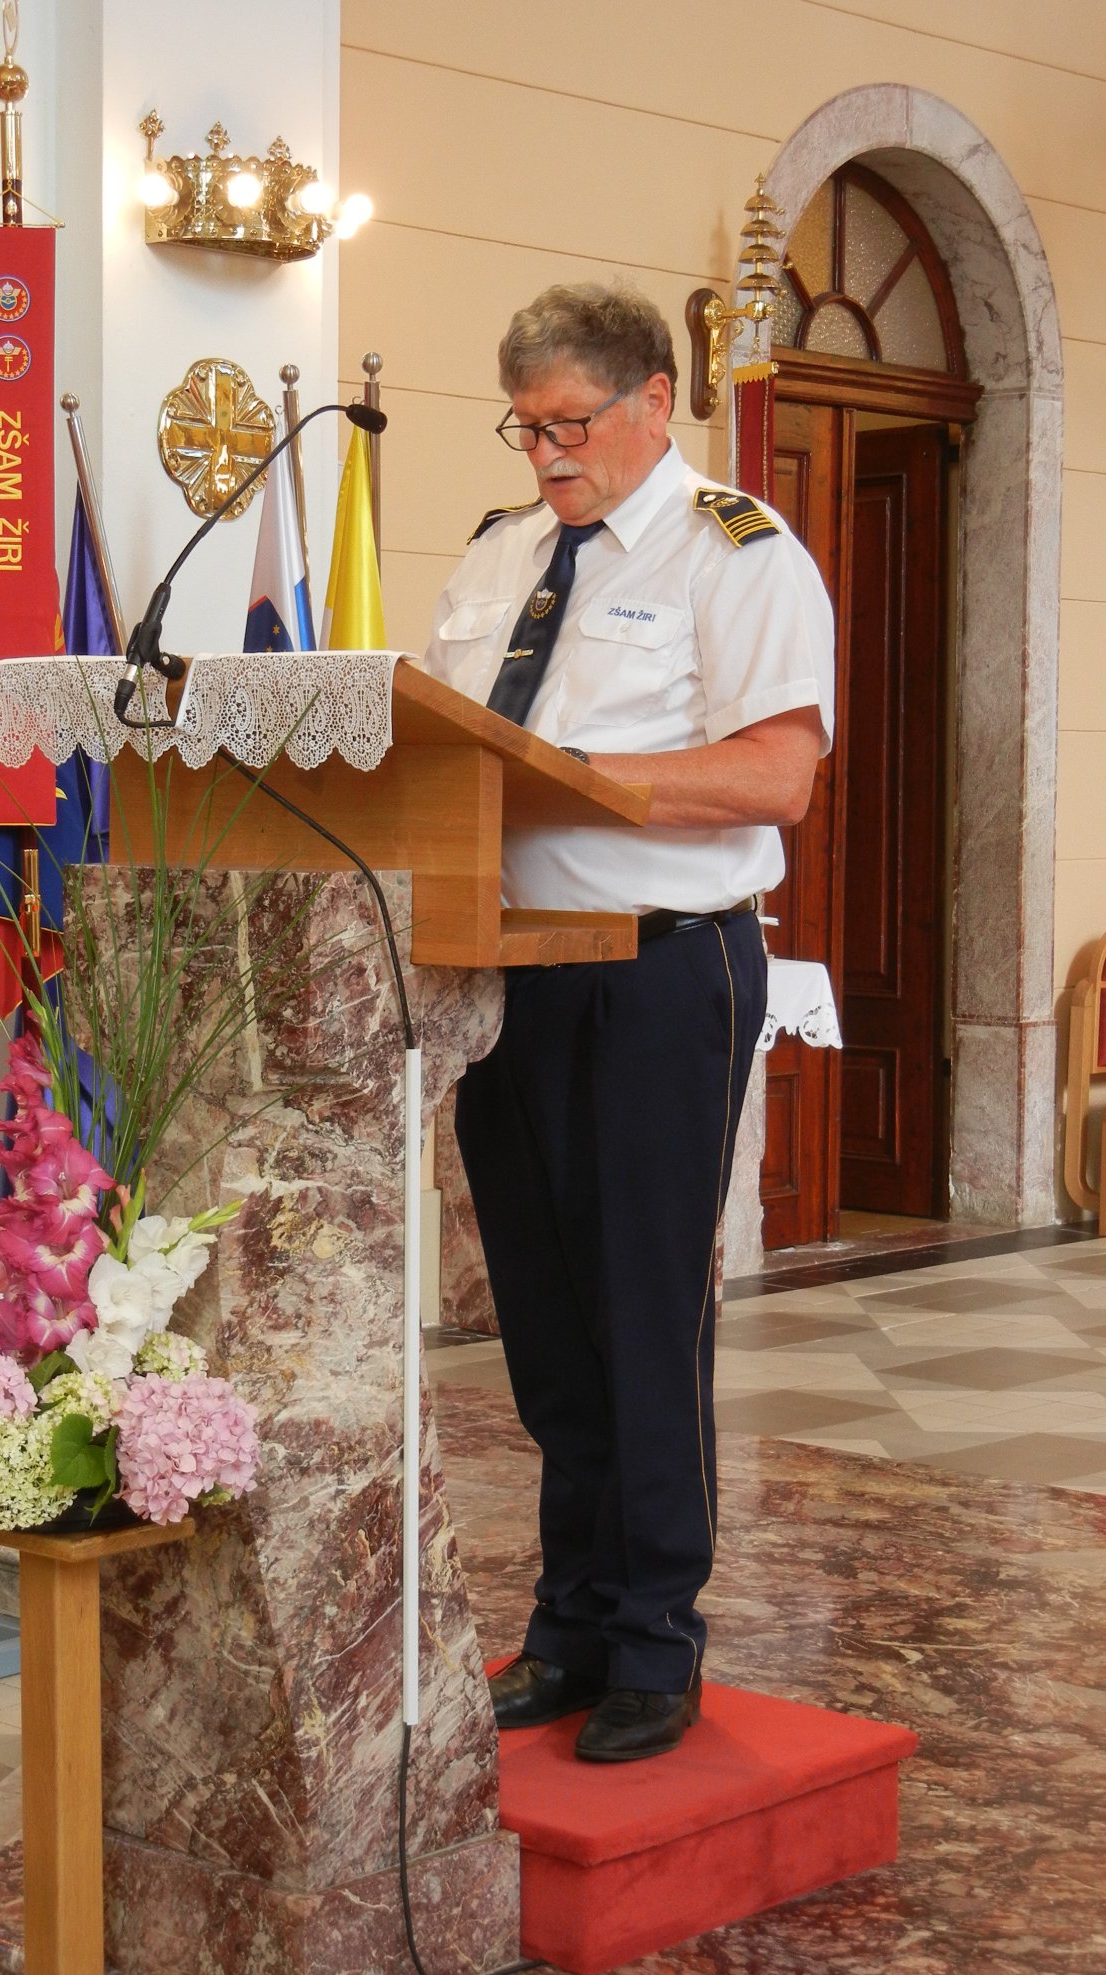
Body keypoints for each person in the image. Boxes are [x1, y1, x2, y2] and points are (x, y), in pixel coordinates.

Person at [423, 283, 834, 1762]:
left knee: (644, 1314)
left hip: (662, 972)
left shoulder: (739, 552)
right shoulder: (500, 555)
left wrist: (580, 780)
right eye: (526, 428)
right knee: (543, 1319)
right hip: (510, 969)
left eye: (570, 424)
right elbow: (447, 747)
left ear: (656, 400)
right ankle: (571, 1624)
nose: (546, 455)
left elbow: (778, 775)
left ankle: (658, 1636)